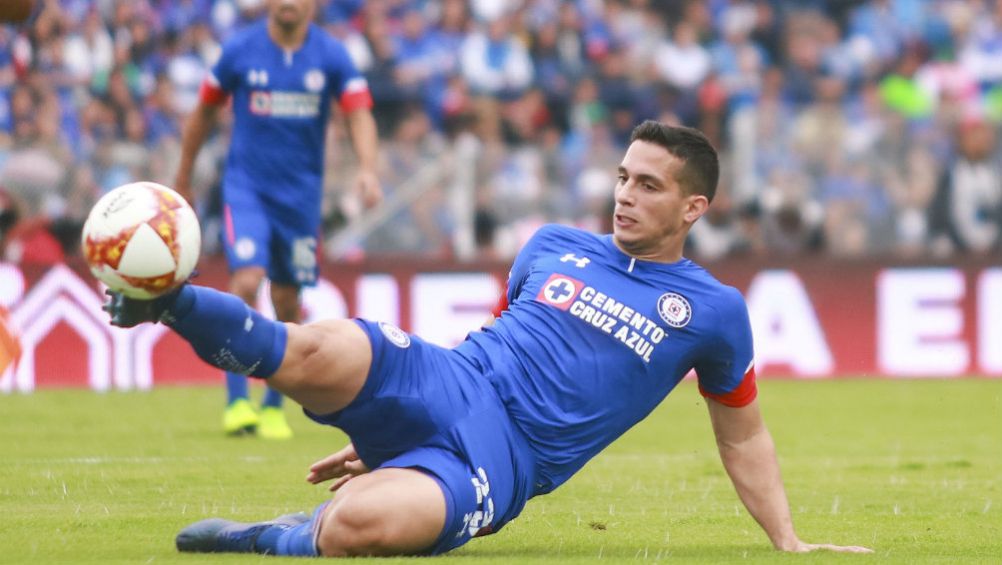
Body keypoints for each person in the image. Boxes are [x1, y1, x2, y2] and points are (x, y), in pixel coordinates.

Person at [106, 121, 872, 557]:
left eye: (650, 185)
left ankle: (275, 539)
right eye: (623, 176)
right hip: (449, 375)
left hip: (501, 460)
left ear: (693, 207)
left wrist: (790, 543)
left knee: (358, 528)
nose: (625, 195)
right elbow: (499, 333)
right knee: (317, 346)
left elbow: (744, 437)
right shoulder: (549, 243)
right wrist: (386, 430)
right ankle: (164, 303)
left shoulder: (713, 310)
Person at [173, 0, 382, 439]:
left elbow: (359, 111)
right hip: (246, 188)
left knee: (288, 302)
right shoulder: (240, 50)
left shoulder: (331, 55)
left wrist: (367, 167)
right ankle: (236, 403)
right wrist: (184, 175)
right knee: (247, 281)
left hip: (301, 200)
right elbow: (204, 111)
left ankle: (272, 405)